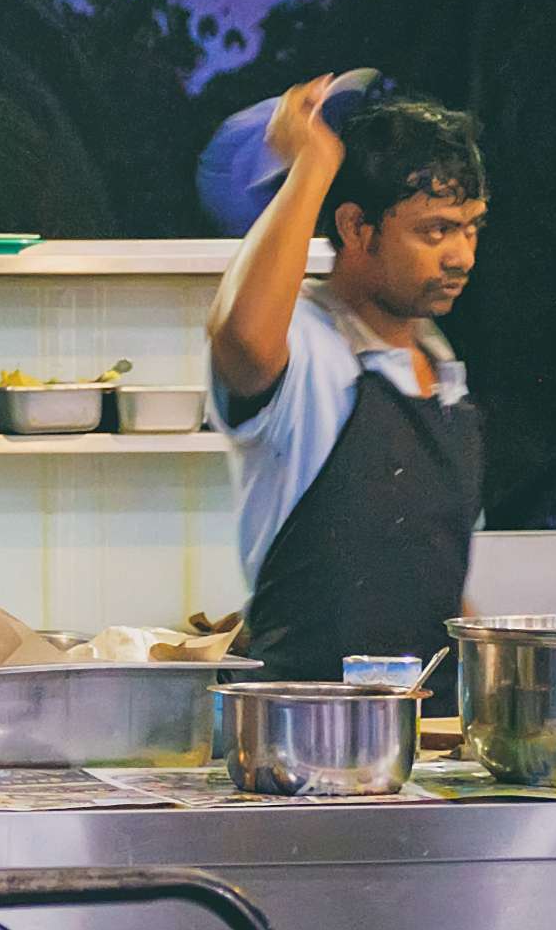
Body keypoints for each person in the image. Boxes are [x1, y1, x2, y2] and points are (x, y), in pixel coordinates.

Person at [205, 80, 488, 682]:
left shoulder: (442, 366)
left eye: (471, 228)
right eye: (435, 231)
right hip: (303, 718)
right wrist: (313, 163)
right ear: (358, 228)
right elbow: (242, 338)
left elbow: (428, 571)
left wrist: (496, 669)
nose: (462, 256)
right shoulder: (309, 344)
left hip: (428, 720)